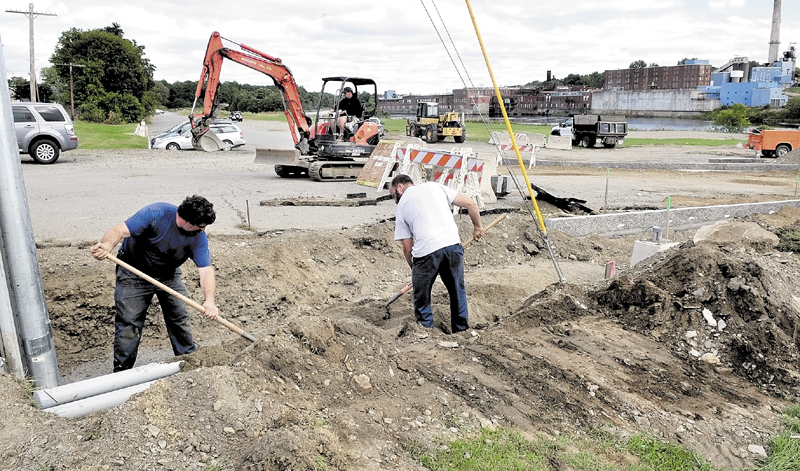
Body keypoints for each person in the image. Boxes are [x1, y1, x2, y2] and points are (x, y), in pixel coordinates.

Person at [91, 195, 220, 372]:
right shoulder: (155, 213)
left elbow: (206, 270)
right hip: (133, 272)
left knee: (179, 317)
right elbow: (119, 230)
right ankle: (121, 372)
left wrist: (209, 301)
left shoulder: (198, 236)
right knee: (129, 324)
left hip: (168, 274)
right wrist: (106, 246)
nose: (204, 230)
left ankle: (189, 363)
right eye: (201, 226)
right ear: (186, 220)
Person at [390, 174, 483, 333]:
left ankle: (426, 333)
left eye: (394, 195)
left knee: (422, 299)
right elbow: (471, 203)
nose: (395, 200)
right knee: (457, 293)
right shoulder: (435, 186)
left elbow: (407, 249)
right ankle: (461, 331)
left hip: (426, 253)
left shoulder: (402, 206)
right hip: (452, 246)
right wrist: (477, 228)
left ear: (400, 186)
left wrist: (416, 271)